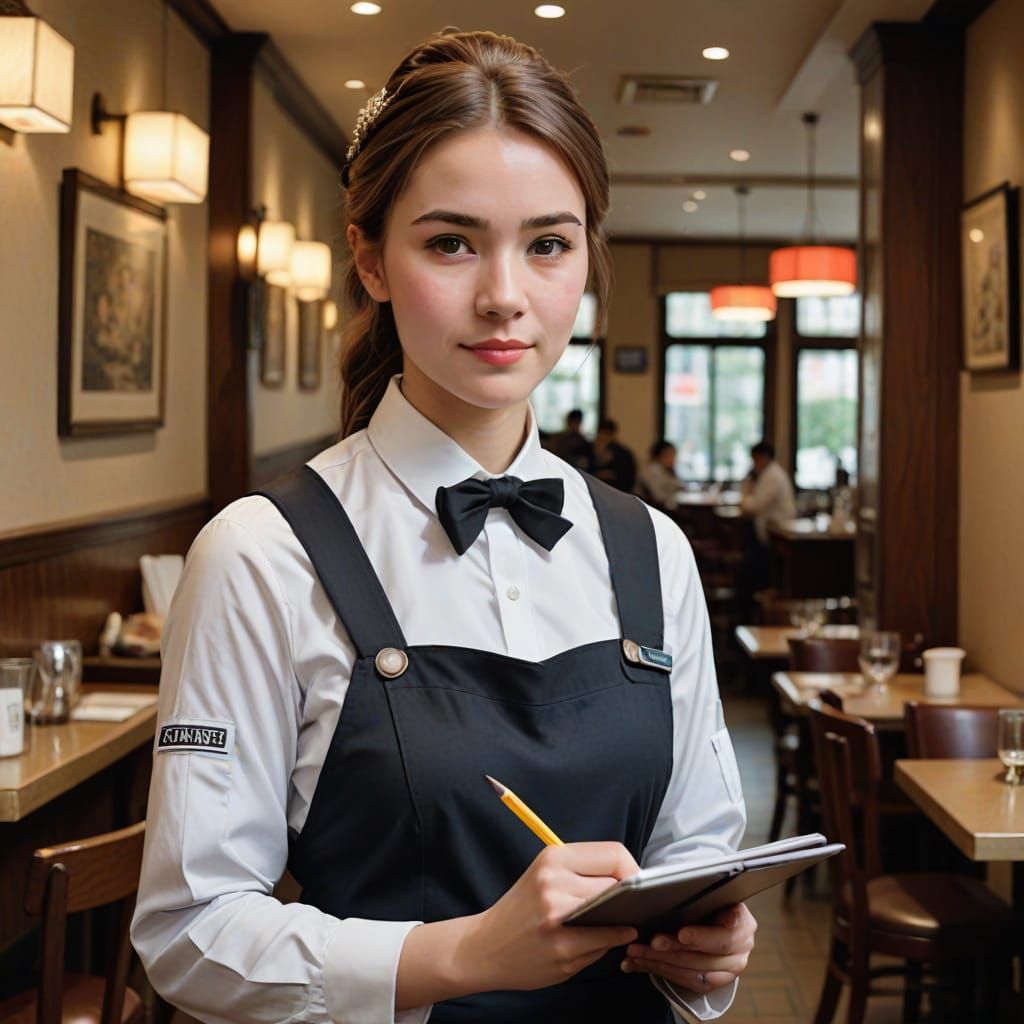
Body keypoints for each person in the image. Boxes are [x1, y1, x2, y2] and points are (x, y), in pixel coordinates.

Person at [131, 29, 754, 1024]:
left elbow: (699, 847)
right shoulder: (260, 554)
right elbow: (190, 932)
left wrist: (709, 947)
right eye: (451, 242)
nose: (505, 295)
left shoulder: (652, 548)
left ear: (585, 262)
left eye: (547, 244)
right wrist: (460, 951)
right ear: (370, 259)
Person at [737, 441, 797, 619]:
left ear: (761, 458)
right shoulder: (768, 474)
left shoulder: (772, 476)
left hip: (776, 535)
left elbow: (753, 506)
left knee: (752, 573)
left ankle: (756, 613)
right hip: (770, 534)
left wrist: (745, 493)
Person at [592, 417, 637, 493]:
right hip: (594, 489)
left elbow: (629, 478)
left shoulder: (623, 454)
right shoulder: (588, 450)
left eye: (607, 434)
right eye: (602, 433)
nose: (604, 437)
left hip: (616, 491)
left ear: (613, 435)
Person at [639, 439, 682, 511]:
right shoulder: (652, 471)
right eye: (669, 455)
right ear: (659, 456)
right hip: (659, 510)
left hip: (666, 508)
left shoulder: (665, 470)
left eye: (673, 455)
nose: (673, 459)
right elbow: (658, 497)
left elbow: (678, 485)